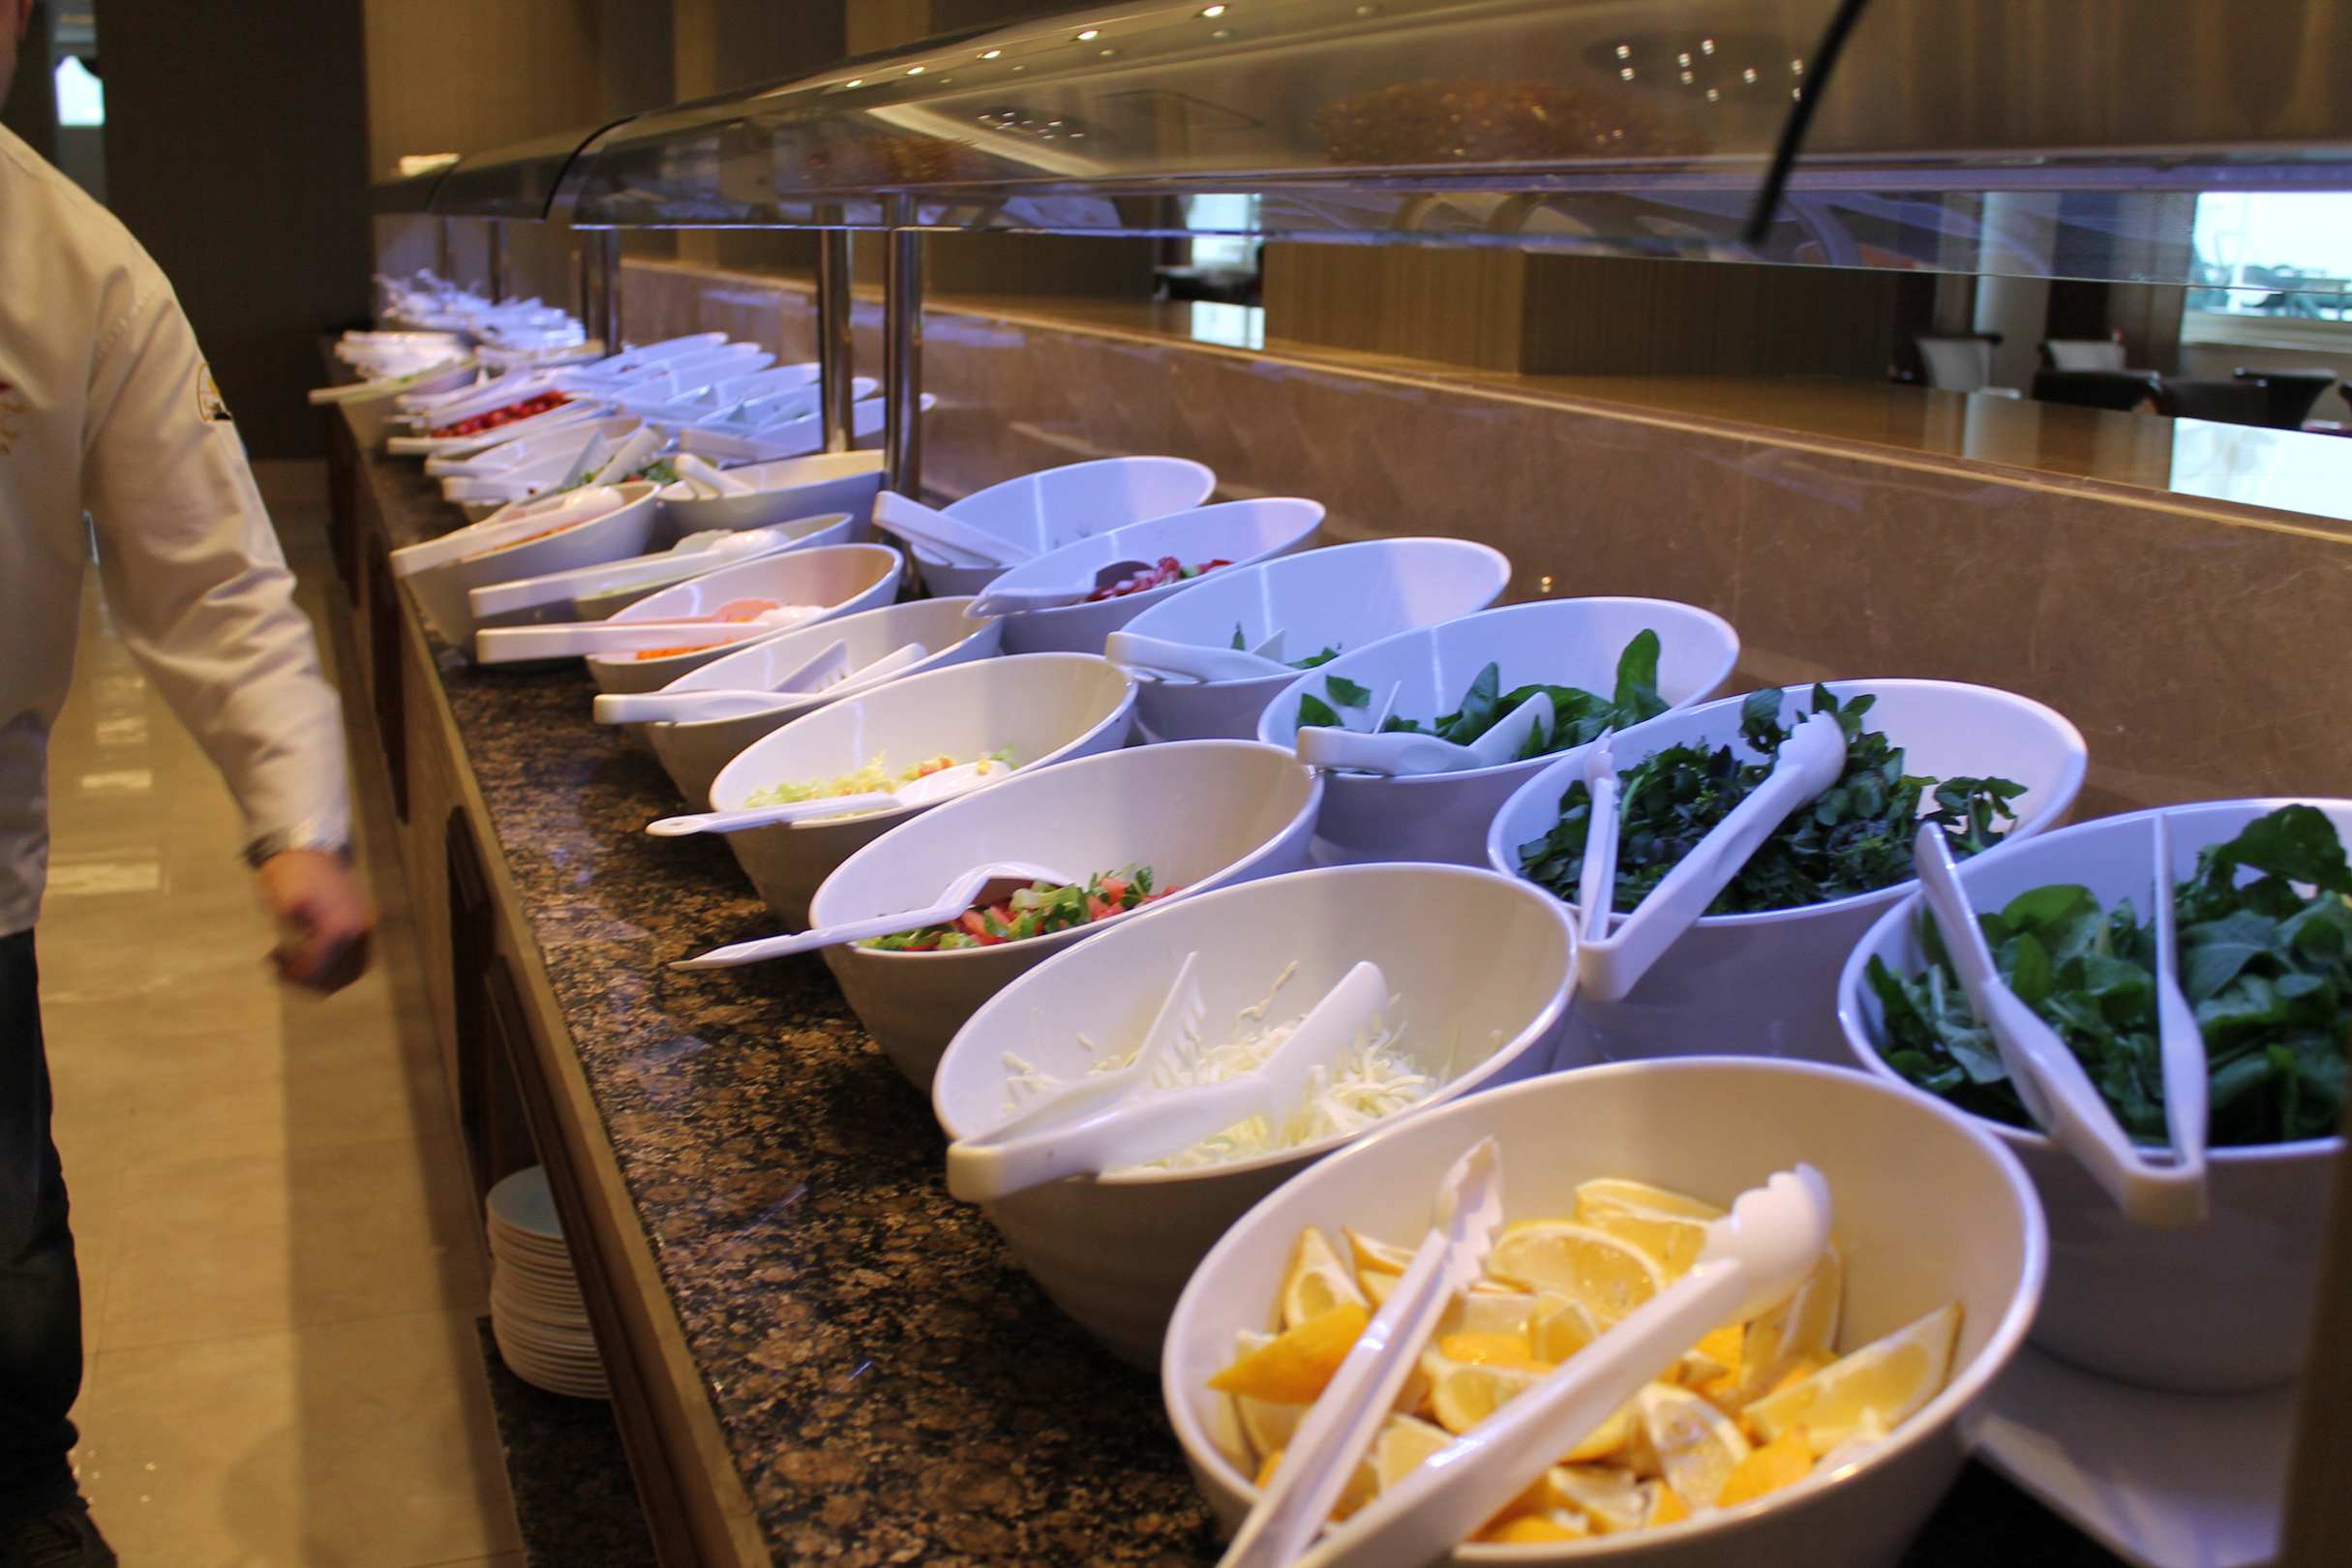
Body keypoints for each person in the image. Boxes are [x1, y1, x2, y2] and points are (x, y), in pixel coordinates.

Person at [0, 2, 376, 1562]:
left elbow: (213, 579)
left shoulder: (73, 262)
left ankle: (23, 1496)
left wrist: (298, 827)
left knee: (6, 1285)